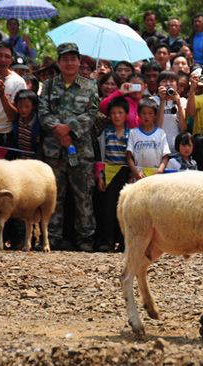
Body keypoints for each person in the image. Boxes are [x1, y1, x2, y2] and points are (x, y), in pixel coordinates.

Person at [38, 42, 99, 252]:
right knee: (54, 195)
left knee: (83, 195)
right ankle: (51, 238)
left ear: (79, 61)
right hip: (54, 150)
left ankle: (85, 239)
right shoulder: (48, 85)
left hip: (81, 150)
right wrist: (58, 130)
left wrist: (70, 130)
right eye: (65, 59)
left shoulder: (90, 86)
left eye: (73, 59)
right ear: (59, 61)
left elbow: (91, 114)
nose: (69, 63)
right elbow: (43, 112)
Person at [96, 96, 131, 252]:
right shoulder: (105, 134)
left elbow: (133, 157)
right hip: (109, 173)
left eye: (120, 112)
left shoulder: (131, 134)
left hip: (125, 174)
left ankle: (124, 242)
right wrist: (101, 176)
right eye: (113, 113)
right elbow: (101, 157)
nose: (117, 116)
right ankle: (108, 241)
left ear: (126, 114)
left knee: (125, 209)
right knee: (109, 209)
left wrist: (132, 175)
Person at [127, 98, 170, 179]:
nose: (147, 116)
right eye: (143, 113)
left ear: (155, 115)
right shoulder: (133, 133)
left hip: (156, 174)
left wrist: (160, 170)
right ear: (138, 114)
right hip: (139, 173)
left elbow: (165, 156)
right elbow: (129, 157)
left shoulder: (161, 133)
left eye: (150, 113)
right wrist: (135, 172)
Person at [153, 71, 187, 152]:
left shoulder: (183, 101)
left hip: (176, 148)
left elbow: (183, 128)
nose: (168, 84)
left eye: (172, 81)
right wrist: (162, 101)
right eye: (164, 81)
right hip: (158, 147)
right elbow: (157, 126)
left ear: (177, 85)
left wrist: (179, 104)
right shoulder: (153, 101)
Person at [12, 89, 41, 160]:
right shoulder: (16, 121)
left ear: (33, 106)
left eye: (27, 107)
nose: (23, 110)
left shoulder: (38, 125)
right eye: (20, 107)